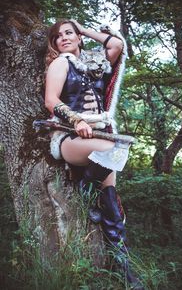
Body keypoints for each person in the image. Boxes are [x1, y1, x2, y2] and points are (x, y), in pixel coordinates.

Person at [44, 19, 144, 290]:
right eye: (58, 36)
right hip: (68, 137)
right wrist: (77, 121)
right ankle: (86, 185)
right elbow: (51, 100)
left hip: (98, 136)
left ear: (79, 37)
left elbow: (117, 44)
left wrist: (83, 27)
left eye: (69, 33)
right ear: (54, 44)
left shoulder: (94, 65)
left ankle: (123, 267)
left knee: (111, 204)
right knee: (113, 151)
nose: (64, 38)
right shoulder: (60, 64)